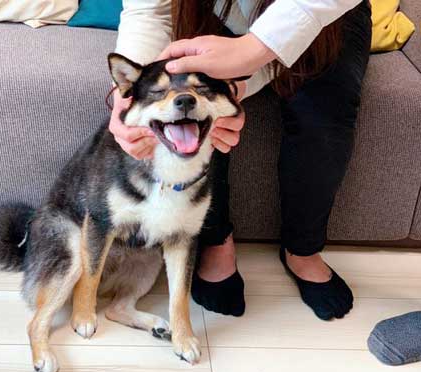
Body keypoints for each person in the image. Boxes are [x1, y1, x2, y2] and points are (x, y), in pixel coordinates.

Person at [109, 0, 372, 319]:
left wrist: (254, 51)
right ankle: (216, 240)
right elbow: (150, 12)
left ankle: (303, 249)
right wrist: (131, 98)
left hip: (327, 17)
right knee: (199, 119)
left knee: (324, 116)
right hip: (212, 11)